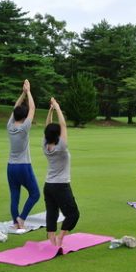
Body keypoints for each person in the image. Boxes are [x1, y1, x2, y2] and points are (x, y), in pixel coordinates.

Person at [43, 97, 80, 248]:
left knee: (52, 212)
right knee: (73, 214)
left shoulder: (45, 145)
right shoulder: (62, 146)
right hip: (61, 186)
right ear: (57, 134)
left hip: (48, 186)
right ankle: (61, 237)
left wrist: (50, 110)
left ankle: (51, 237)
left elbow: (48, 126)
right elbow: (63, 125)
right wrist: (57, 107)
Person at [7, 79, 40, 230]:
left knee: (15, 196)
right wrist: (29, 91)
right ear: (25, 117)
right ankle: (22, 218)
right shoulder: (25, 127)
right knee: (35, 194)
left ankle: (15, 222)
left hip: (11, 167)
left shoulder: (10, 126)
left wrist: (23, 93)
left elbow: (16, 108)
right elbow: (32, 108)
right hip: (23, 166)